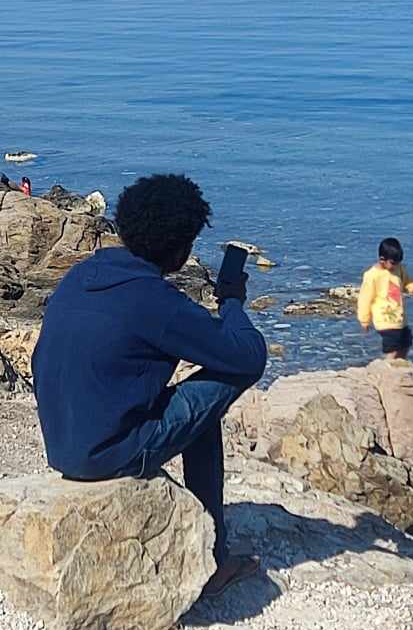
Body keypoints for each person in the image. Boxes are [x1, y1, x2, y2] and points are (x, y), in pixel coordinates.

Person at [32, 172, 268, 597]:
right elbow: (249, 356)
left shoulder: (87, 272)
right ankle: (212, 560)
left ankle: (210, 538)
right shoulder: (157, 303)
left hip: (63, 442)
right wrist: (231, 300)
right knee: (229, 374)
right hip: (106, 454)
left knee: (200, 410)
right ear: (180, 252)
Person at [356, 236, 413, 361]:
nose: (396, 266)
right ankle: (388, 366)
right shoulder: (372, 275)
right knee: (392, 348)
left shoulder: (399, 268)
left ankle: (400, 364)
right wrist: (364, 320)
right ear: (382, 259)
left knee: (406, 342)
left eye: (398, 263)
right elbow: (365, 299)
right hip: (384, 319)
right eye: (393, 263)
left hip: (400, 317)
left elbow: (407, 280)